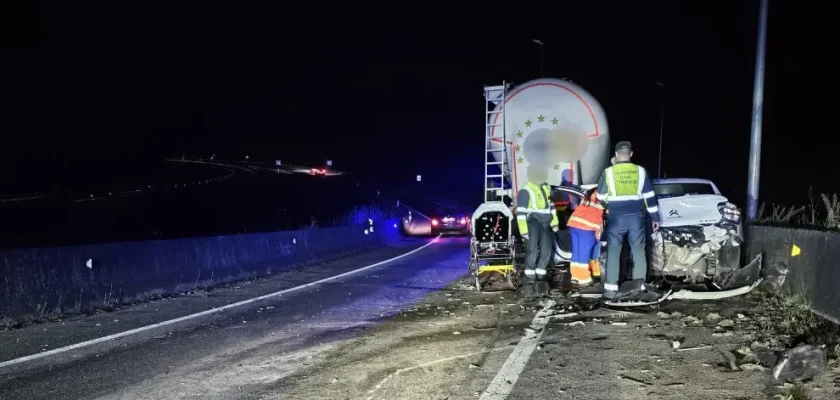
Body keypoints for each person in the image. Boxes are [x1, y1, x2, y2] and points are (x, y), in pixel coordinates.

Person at [595, 141, 661, 300]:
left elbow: (600, 197)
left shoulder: (608, 172)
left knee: (614, 253)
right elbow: (649, 197)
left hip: (616, 219)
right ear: (630, 154)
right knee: (639, 252)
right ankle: (639, 289)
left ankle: (610, 291)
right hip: (636, 218)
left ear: (616, 155)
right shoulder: (641, 171)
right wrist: (655, 218)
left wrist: (608, 205)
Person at [516, 178, 559, 295]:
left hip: (547, 223)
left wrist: (555, 223)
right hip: (533, 221)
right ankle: (530, 275)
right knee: (532, 248)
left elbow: (552, 207)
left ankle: (540, 272)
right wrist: (523, 231)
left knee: (547, 249)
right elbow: (520, 212)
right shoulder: (526, 190)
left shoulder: (546, 187)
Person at [567, 188, 604, 286]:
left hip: (574, 223)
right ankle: (584, 278)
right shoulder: (604, 194)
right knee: (584, 252)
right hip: (587, 227)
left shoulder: (591, 192)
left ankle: (575, 276)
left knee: (577, 252)